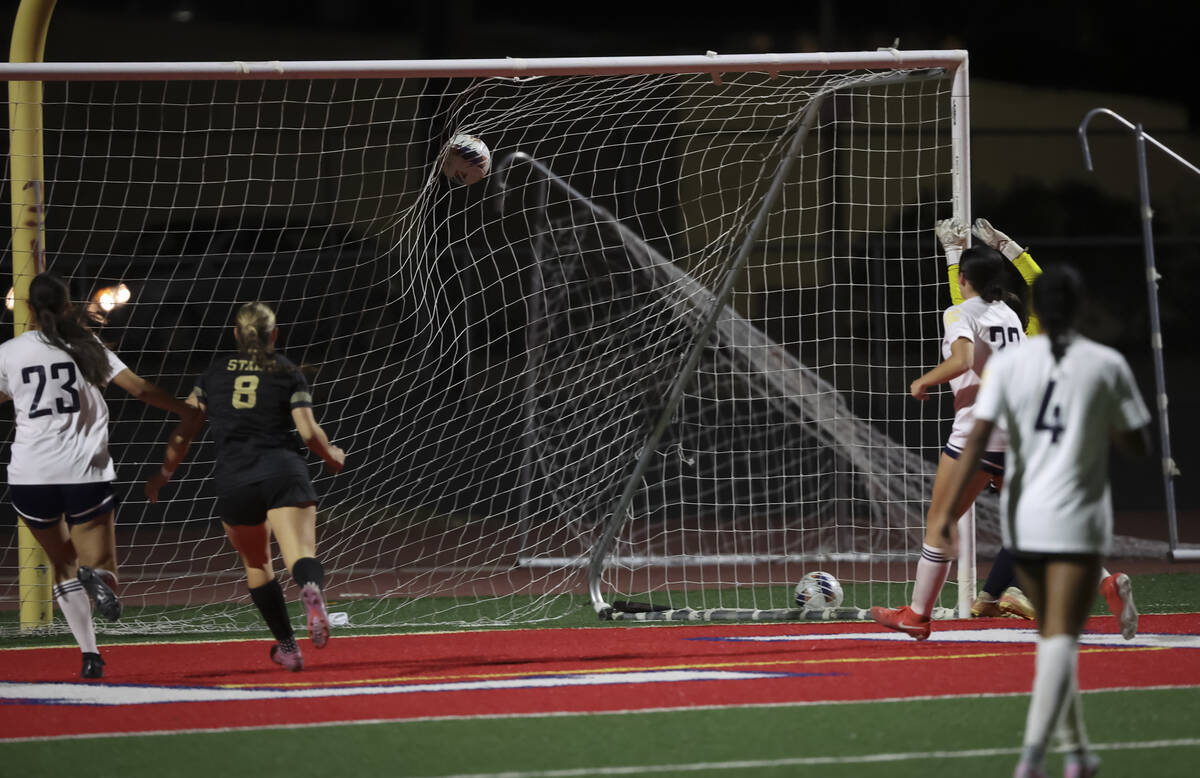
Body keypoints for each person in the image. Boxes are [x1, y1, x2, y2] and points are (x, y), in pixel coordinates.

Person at [928, 264, 1152, 778]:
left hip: (1031, 501)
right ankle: (1070, 756)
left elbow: (982, 434)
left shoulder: (1013, 363)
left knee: (1055, 639)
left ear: (1034, 311)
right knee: (1061, 633)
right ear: (1080, 309)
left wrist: (947, 508)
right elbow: (1136, 441)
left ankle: (1042, 756)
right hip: (1083, 506)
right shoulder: (1104, 361)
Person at [0, 272, 197, 679]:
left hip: (30, 476)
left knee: (62, 563)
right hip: (82, 471)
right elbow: (140, 390)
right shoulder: (89, 347)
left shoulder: (10, 352)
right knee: (102, 566)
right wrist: (184, 409)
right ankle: (98, 577)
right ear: (69, 306)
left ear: (29, 310)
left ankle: (90, 654)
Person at [957, 221, 1138, 640]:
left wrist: (953, 259)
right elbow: (1042, 287)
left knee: (945, 518)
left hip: (995, 438)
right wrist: (1011, 249)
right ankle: (997, 598)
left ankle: (923, 606)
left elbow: (960, 302)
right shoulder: (1033, 337)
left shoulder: (978, 327)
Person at [145, 301, 345, 672]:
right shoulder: (287, 371)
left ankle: (288, 647)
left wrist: (163, 474)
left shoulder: (213, 375)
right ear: (275, 335)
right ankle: (311, 591)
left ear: (236, 334)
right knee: (299, 553)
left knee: (257, 564)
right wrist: (332, 455)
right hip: (284, 471)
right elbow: (308, 433)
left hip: (236, 480)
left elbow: (184, 432)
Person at [869, 219, 1028, 640]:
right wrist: (955, 254)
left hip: (978, 433)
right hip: (1017, 434)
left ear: (962, 280)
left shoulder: (958, 312)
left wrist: (924, 380)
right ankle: (1099, 582)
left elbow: (961, 359)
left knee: (941, 521)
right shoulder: (1010, 313)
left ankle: (918, 615)